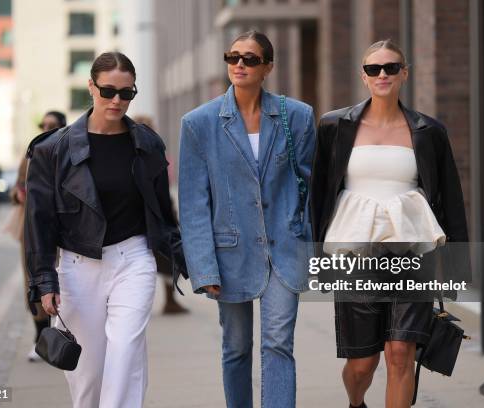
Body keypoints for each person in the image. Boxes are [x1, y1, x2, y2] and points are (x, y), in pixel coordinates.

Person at [310, 39, 468, 408]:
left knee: (400, 352)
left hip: (412, 252)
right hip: (354, 255)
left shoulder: (429, 131)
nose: (382, 74)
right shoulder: (334, 126)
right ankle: (356, 403)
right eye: (373, 69)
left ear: (404, 74)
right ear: (363, 76)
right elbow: (318, 196)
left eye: (391, 67)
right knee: (362, 364)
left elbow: (451, 201)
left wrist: (458, 265)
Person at [24, 51, 186, 407]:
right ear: (91, 87)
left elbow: (163, 212)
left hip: (134, 259)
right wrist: (44, 280)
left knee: (126, 352)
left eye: (126, 93)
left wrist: (189, 259)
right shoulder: (52, 150)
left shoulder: (148, 144)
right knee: (88, 375)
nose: (116, 100)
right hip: (78, 267)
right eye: (108, 91)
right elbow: (38, 221)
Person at [178, 30, 316, 408]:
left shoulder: (298, 117)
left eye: (250, 58)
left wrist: (311, 248)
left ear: (268, 67)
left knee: (278, 344)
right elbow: (193, 204)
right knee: (236, 349)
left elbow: (310, 188)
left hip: (284, 251)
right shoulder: (198, 123)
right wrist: (204, 269)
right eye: (233, 56)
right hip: (230, 255)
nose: (239, 64)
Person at [5, 111, 67, 362]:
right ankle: (41, 338)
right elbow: (16, 187)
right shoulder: (31, 153)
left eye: (52, 124)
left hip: (63, 228)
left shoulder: (68, 148)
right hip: (31, 229)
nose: (46, 127)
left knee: (62, 281)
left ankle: (61, 335)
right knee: (34, 280)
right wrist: (18, 194)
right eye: (44, 124)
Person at [132, 114, 188, 315]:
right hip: (142, 220)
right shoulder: (131, 153)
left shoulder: (155, 149)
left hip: (160, 217)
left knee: (169, 258)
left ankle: (170, 301)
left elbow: (163, 189)